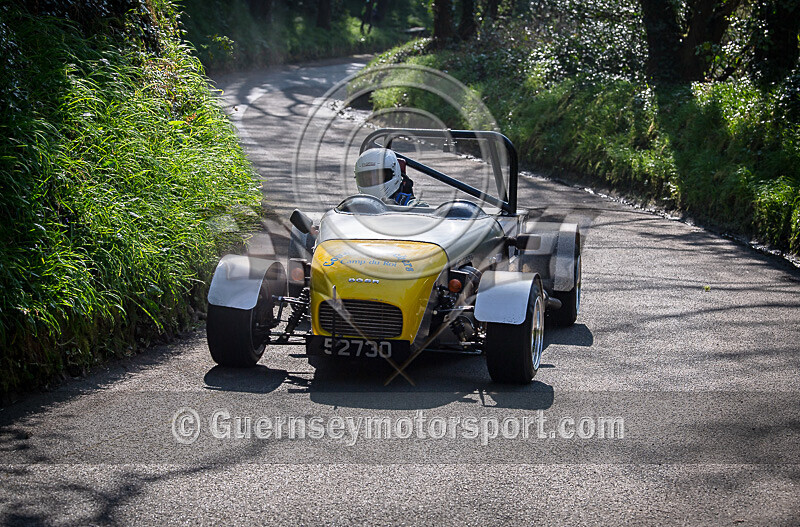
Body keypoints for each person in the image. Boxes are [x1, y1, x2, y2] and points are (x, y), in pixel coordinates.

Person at [353, 148, 421, 206]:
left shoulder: (411, 205)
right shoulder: (355, 204)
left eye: (378, 177)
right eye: (366, 179)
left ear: (393, 173)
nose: (372, 182)